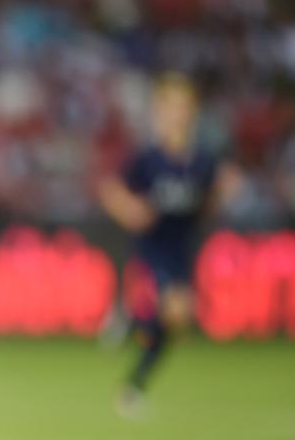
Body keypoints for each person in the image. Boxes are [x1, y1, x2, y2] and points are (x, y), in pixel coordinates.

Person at [98, 72, 237, 417]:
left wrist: (223, 195)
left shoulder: (203, 161)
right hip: (153, 246)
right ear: (159, 112)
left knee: (177, 324)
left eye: (184, 107)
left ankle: (133, 367)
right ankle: (132, 325)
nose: (179, 113)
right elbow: (112, 189)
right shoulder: (148, 159)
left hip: (183, 247)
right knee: (177, 311)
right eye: (171, 106)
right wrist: (130, 210)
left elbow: (209, 199)